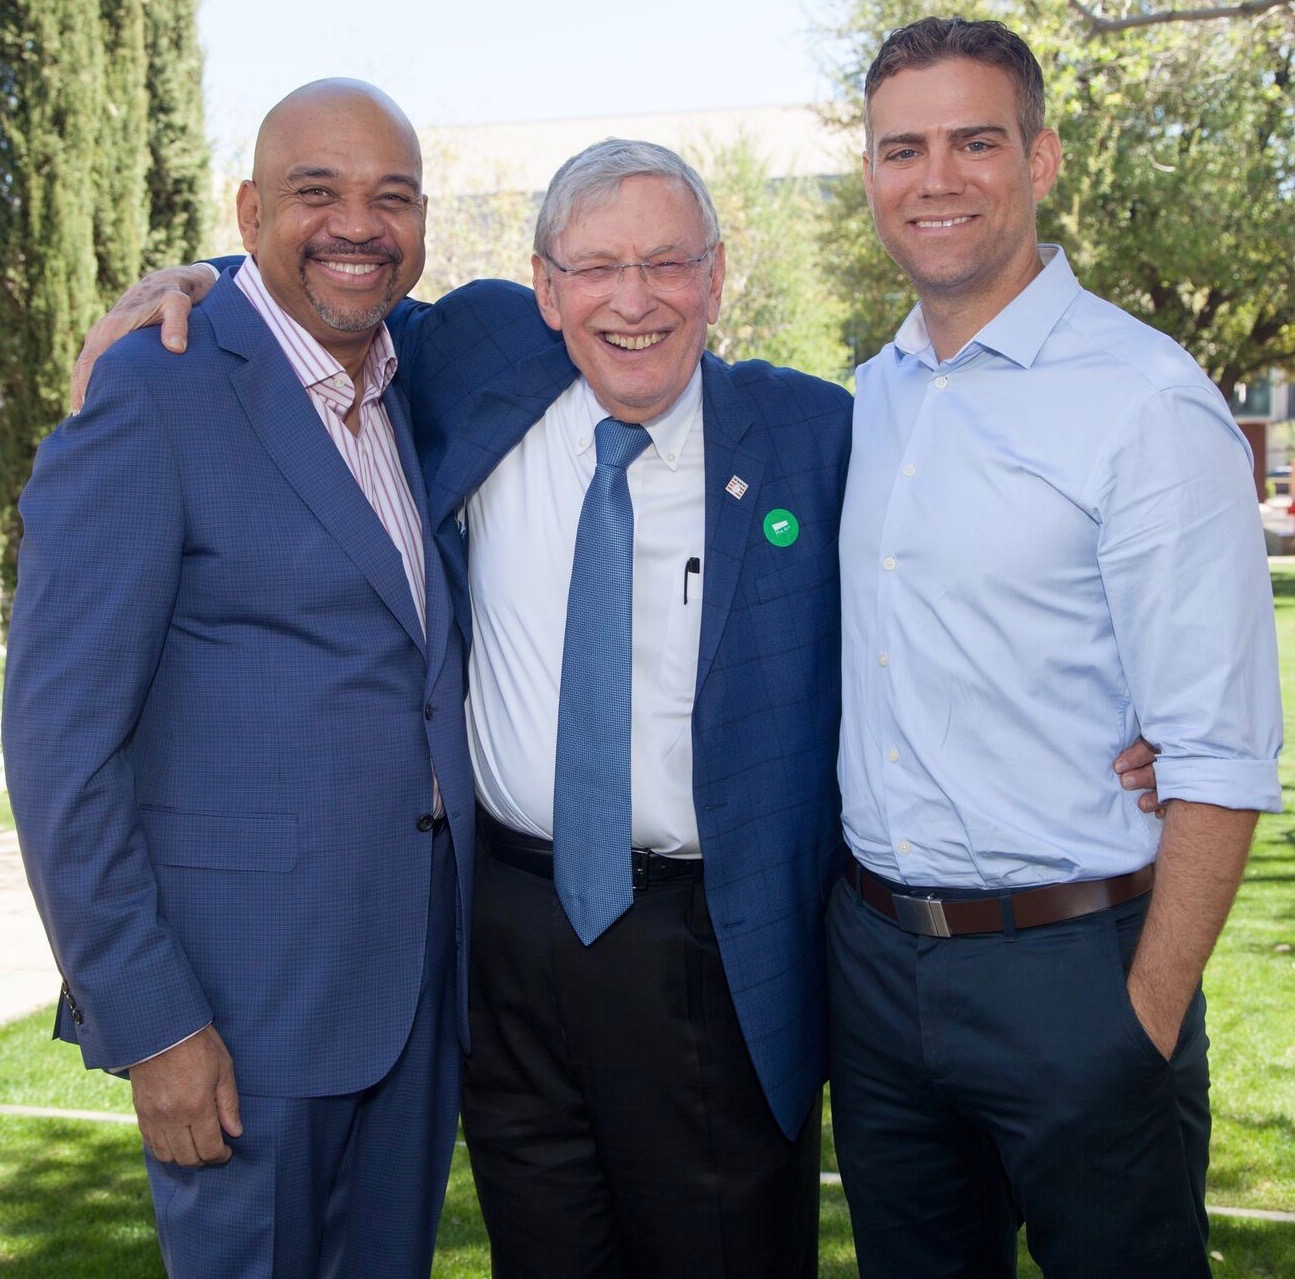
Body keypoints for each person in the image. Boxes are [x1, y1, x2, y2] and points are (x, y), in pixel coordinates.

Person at [69, 135, 1163, 1278]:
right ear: (542, 287)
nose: (630, 300)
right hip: (501, 934)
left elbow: (949, 567)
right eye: (593, 267)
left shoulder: (810, 433)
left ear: (715, 277)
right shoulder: (477, 365)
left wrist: (1118, 702)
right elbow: (333, 269)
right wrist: (195, 281)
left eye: (666, 264)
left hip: (713, 946)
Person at [828, 16, 1283, 1278]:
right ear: (867, 171)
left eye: (975, 141)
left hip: (1075, 970)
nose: (936, 179)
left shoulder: (1143, 402)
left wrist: (1137, 1019)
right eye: (900, 148)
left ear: (1041, 160)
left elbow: (1222, 751)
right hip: (872, 971)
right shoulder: (864, 402)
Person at [3, 80, 475, 1279]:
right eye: (316, 193)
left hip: (410, 996)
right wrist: (151, 1018)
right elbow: (60, 746)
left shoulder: (401, 383)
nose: (357, 226)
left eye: (392, 197)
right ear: (252, 206)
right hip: (236, 1017)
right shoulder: (154, 388)